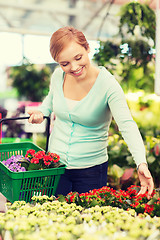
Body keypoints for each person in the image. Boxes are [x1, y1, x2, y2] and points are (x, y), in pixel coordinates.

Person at [28, 26, 154, 199]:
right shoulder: (58, 76)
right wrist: (41, 113)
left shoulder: (108, 85)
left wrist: (141, 163)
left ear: (87, 48)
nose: (74, 67)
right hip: (55, 167)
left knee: (87, 221)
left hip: (91, 173)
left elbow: (127, 125)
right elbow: (50, 101)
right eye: (65, 64)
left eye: (78, 58)